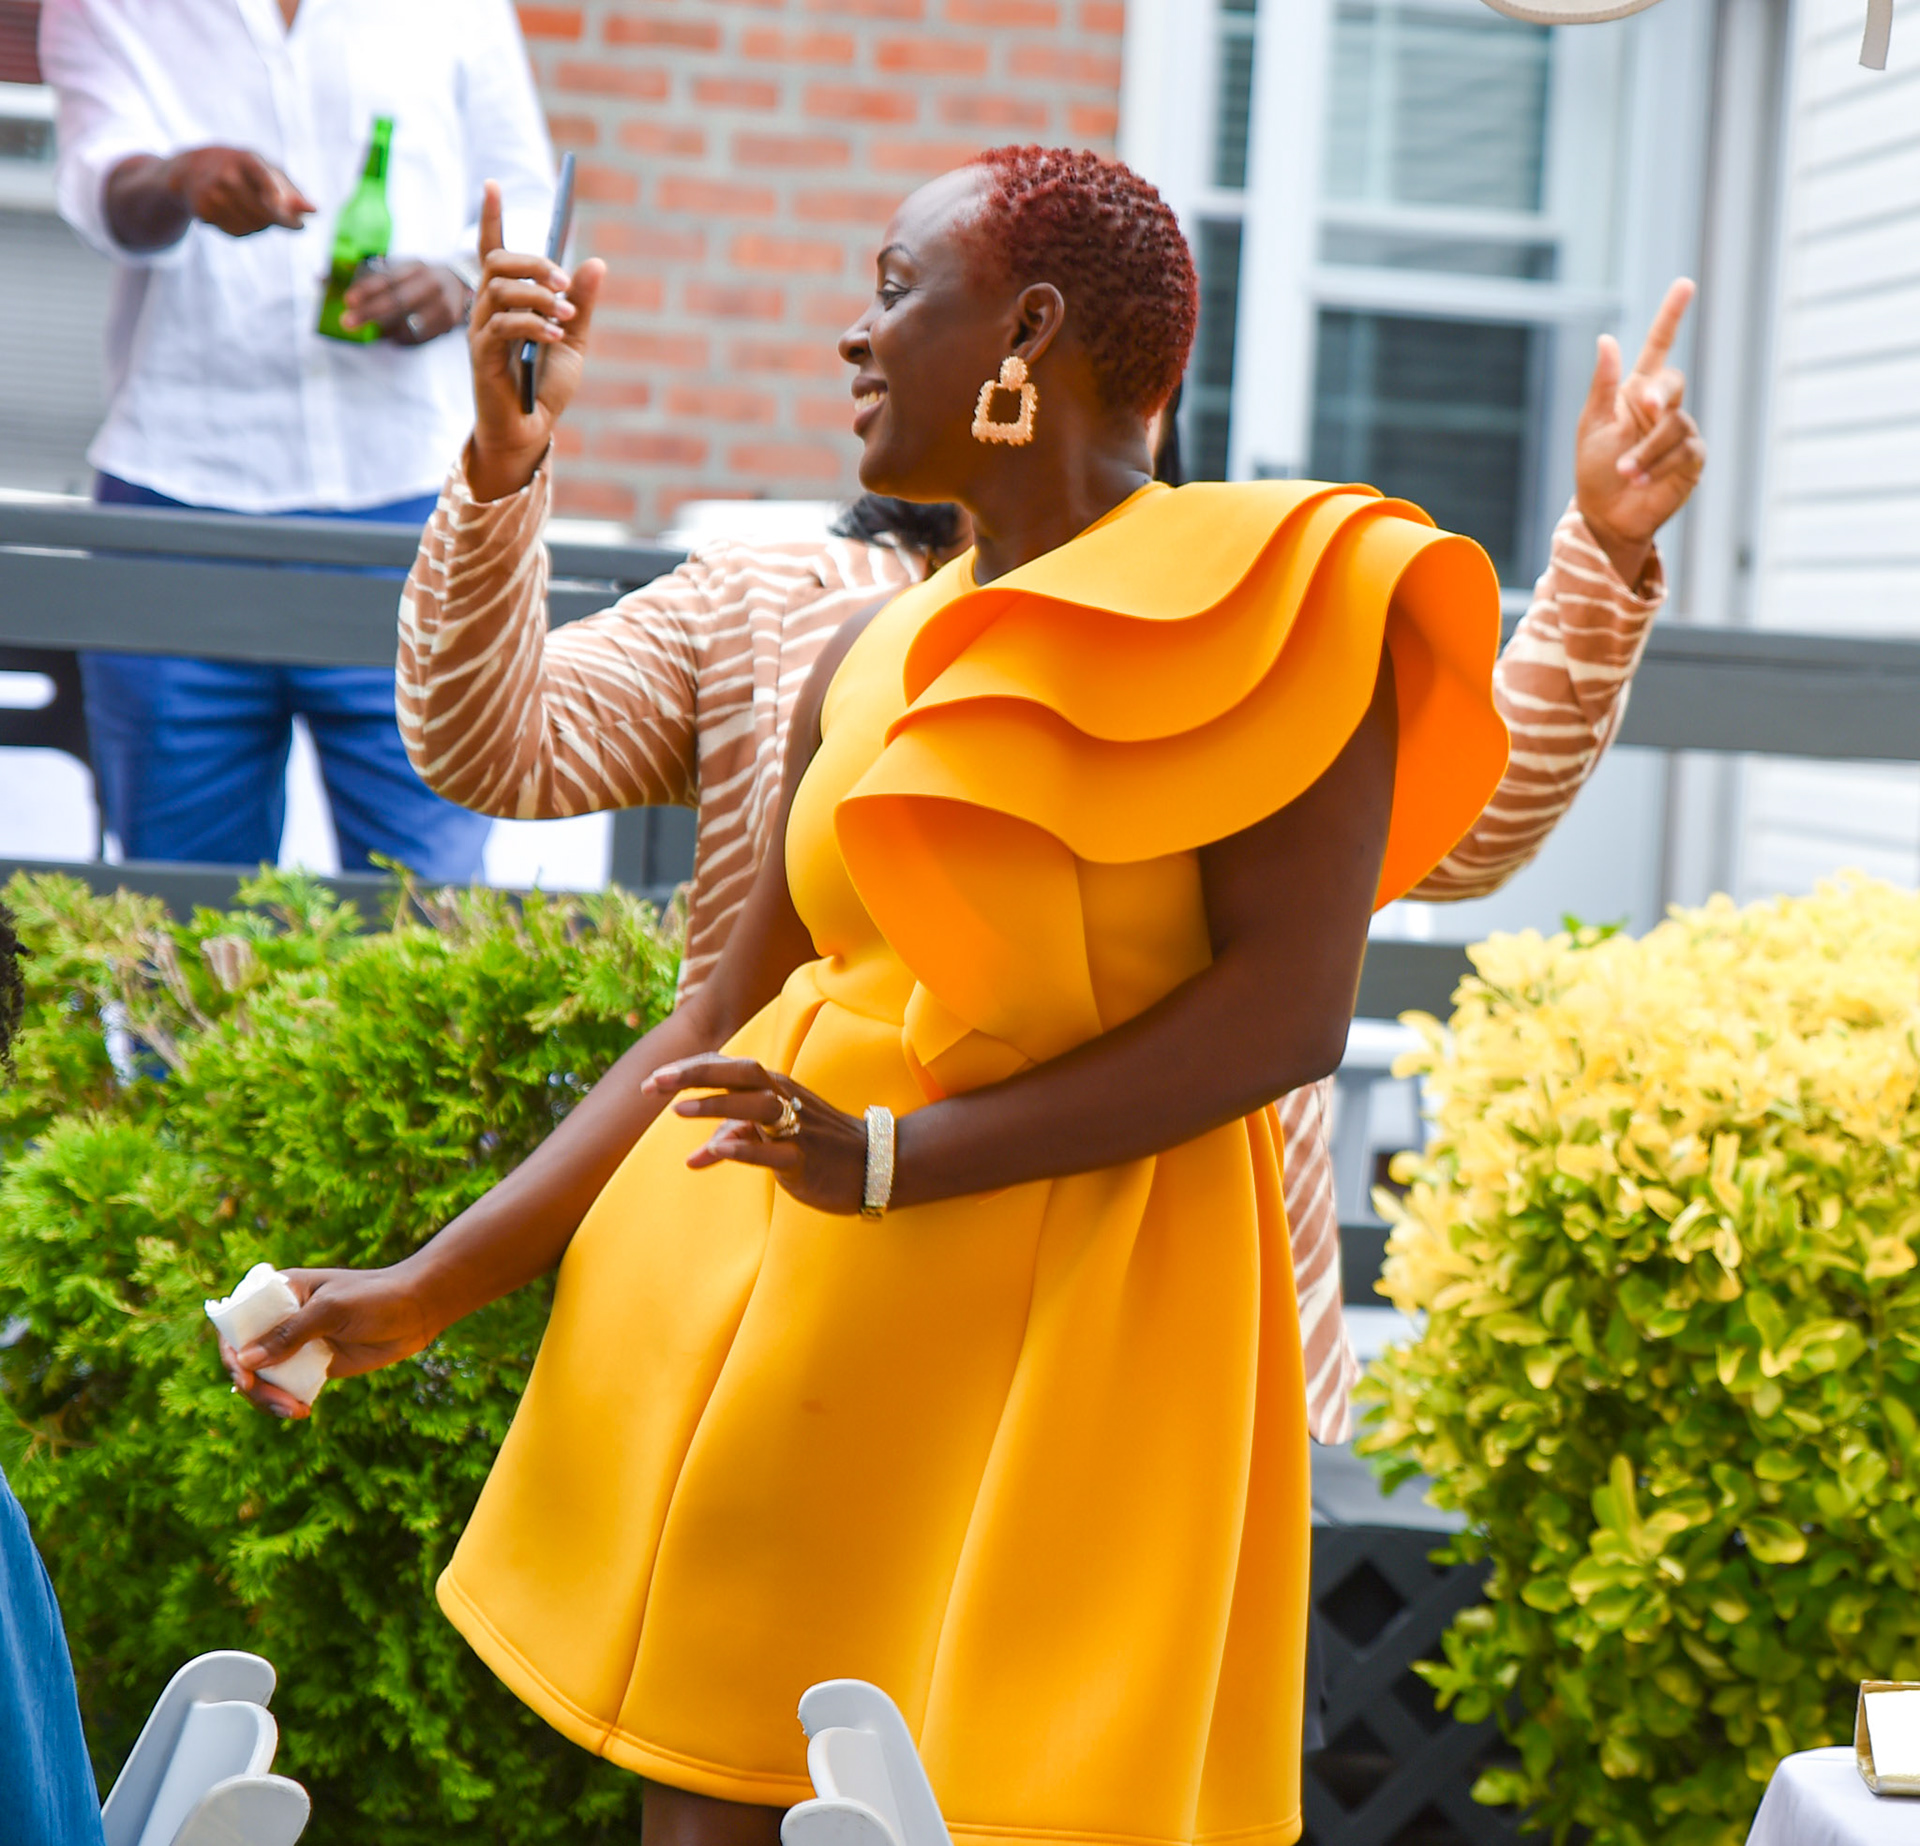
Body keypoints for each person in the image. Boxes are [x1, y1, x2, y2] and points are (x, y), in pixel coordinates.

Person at [231, 146, 1508, 1846]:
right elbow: (712, 1026)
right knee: (711, 1804)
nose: (854, 334)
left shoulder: (1279, 604)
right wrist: (427, 1286)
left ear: (1028, 330)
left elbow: (1284, 1016)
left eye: (897, 291)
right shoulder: (869, 651)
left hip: (1098, 1334)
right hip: (790, 1321)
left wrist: (901, 1156)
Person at [394, 206, 1702, 1446]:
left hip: (1160, 1307)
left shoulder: (1243, 620)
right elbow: (493, 741)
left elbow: (1467, 831)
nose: (860, 336)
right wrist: (502, 470)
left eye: (900, 296)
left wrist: (1600, 552)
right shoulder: (772, 606)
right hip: (818, 1282)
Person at [38, 0, 554, 881]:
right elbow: (100, 186)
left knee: (428, 905)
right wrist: (178, 180)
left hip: (410, 507)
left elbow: (526, 203)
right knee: (183, 913)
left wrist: (462, 284)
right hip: (175, 507)